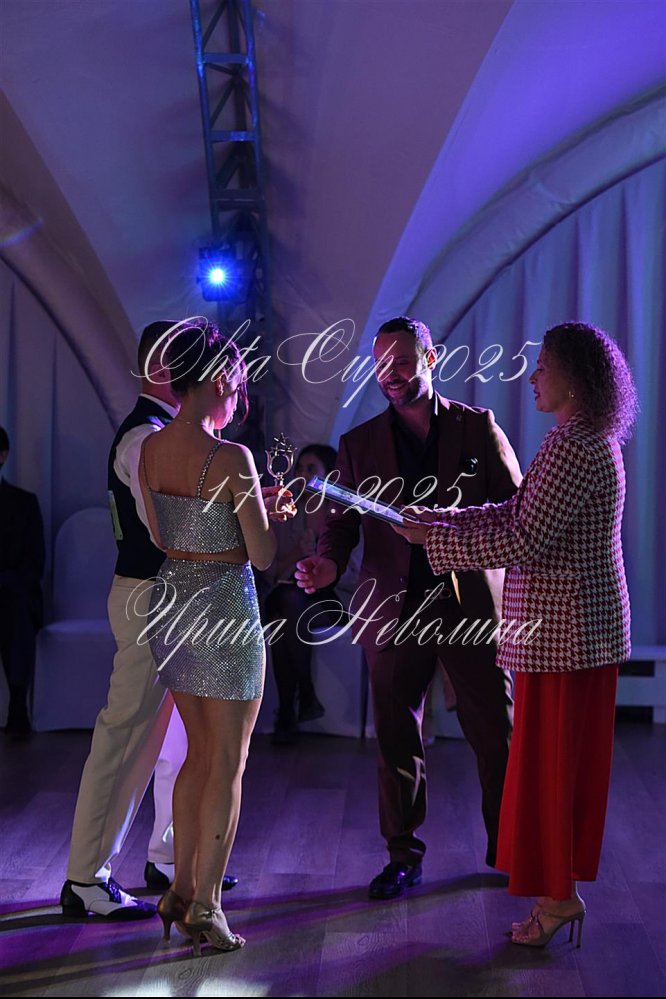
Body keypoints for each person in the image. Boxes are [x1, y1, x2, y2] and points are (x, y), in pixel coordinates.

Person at [394, 322, 636, 948]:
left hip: (567, 636)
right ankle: (558, 895)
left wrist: (436, 542)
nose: (532, 377)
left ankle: (558, 899)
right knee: (555, 773)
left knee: (553, 775)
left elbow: (525, 539)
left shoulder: (573, 445)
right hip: (574, 634)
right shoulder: (582, 439)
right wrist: (442, 521)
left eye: (544, 366)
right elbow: (520, 512)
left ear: (574, 378)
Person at [296, 316, 522, 899]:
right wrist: (327, 563)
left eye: (401, 361)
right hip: (392, 610)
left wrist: (454, 528)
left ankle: (511, 849)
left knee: (496, 732)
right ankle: (402, 857)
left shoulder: (477, 427)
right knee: (396, 738)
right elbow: (341, 525)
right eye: (380, 364)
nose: (390, 374)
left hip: (471, 605)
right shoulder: (358, 443)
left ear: (431, 358)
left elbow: (517, 512)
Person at [60, 322, 238, 921]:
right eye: (191, 363)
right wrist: (245, 518)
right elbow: (169, 530)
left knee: (179, 742)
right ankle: (86, 878)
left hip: (170, 597)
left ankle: (170, 857)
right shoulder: (145, 438)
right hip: (149, 597)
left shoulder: (162, 433)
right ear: (164, 369)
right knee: (126, 738)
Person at [138, 321, 293, 955]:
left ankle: (178, 890)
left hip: (173, 604)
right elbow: (262, 554)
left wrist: (232, 519)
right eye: (240, 384)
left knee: (197, 756)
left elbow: (159, 535)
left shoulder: (149, 447)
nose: (240, 398)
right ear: (222, 379)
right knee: (227, 762)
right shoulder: (232, 458)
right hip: (225, 609)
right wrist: (270, 515)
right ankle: (207, 905)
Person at [264, 443, 346, 745]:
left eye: (311, 469)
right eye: (299, 468)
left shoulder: (342, 515)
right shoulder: (286, 512)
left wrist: (322, 567)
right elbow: (270, 570)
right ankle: (304, 698)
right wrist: (298, 554)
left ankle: (288, 712)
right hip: (290, 593)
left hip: (333, 596)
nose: (303, 474)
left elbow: (356, 571)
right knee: (287, 606)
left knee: (284, 613)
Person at [0, 426, 45, 737]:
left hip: (11, 592)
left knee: (16, 607)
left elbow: (34, 564)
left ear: (2, 457)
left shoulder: (24, 503)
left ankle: (18, 703)